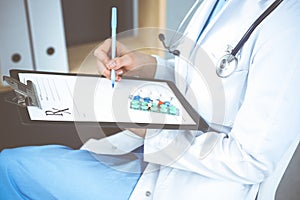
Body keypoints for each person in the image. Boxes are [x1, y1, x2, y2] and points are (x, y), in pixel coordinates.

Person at [1, 0, 300, 199]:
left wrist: (153, 132)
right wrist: (149, 65)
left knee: (11, 168)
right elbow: (206, 75)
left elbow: (252, 161)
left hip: (189, 186)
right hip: (148, 156)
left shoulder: (289, 26)